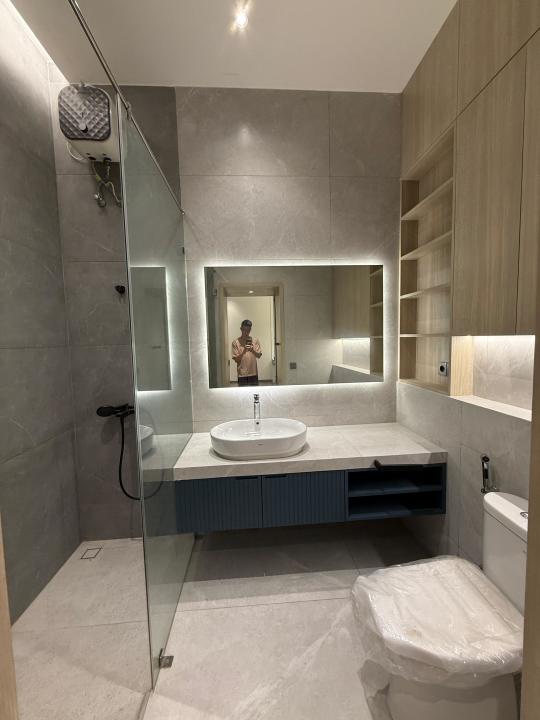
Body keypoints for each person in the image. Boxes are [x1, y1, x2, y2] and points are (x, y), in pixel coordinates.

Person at [232, 319, 262, 386]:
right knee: (242, 392)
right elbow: (236, 360)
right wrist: (244, 351)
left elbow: (259, 355)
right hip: (242, 374)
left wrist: (252, 350)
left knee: (254, 391)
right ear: (241, 329)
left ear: (250, 330)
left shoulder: (255, 341)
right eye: (244, 330)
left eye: (248, 330)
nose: (246, 332)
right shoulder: (235, 342)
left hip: (253, 373)